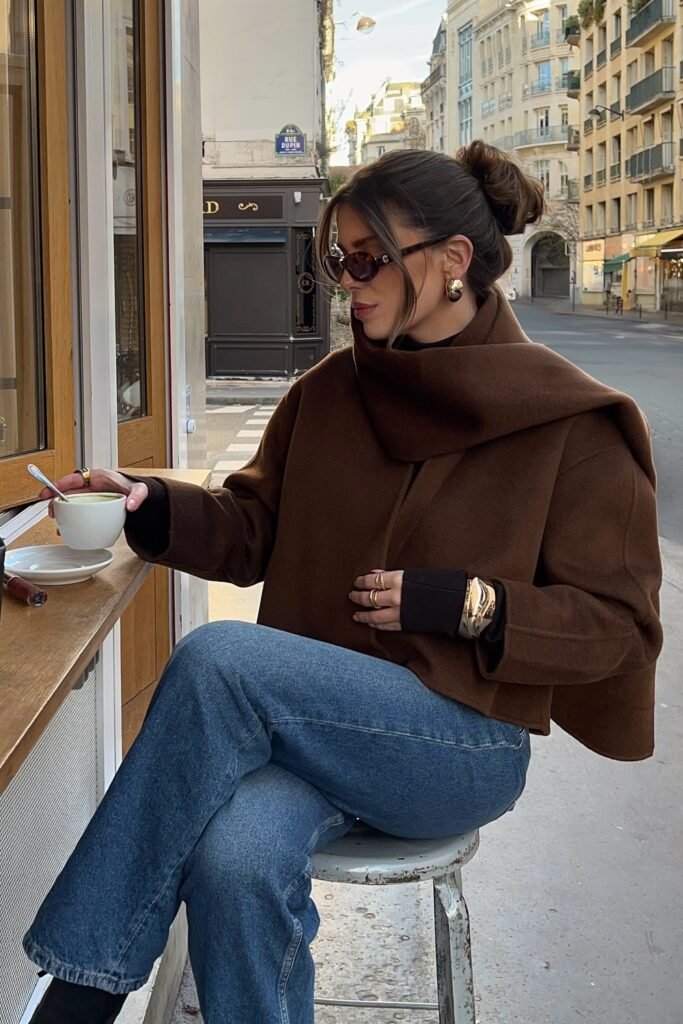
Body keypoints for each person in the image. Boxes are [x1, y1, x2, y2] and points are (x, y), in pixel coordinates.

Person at [24, 142, 663, 1024]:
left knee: (219, 657)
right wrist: (147, 506)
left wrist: (466, 602)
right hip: (307, 731)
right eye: (337, 260)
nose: (345, 282)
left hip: (457, 746)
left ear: (450, 263)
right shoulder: (330, 393)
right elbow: (254, 531)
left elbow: (620, 629)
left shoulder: (568, 421)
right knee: (234, 861)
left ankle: (76, 998)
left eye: (368, 259)